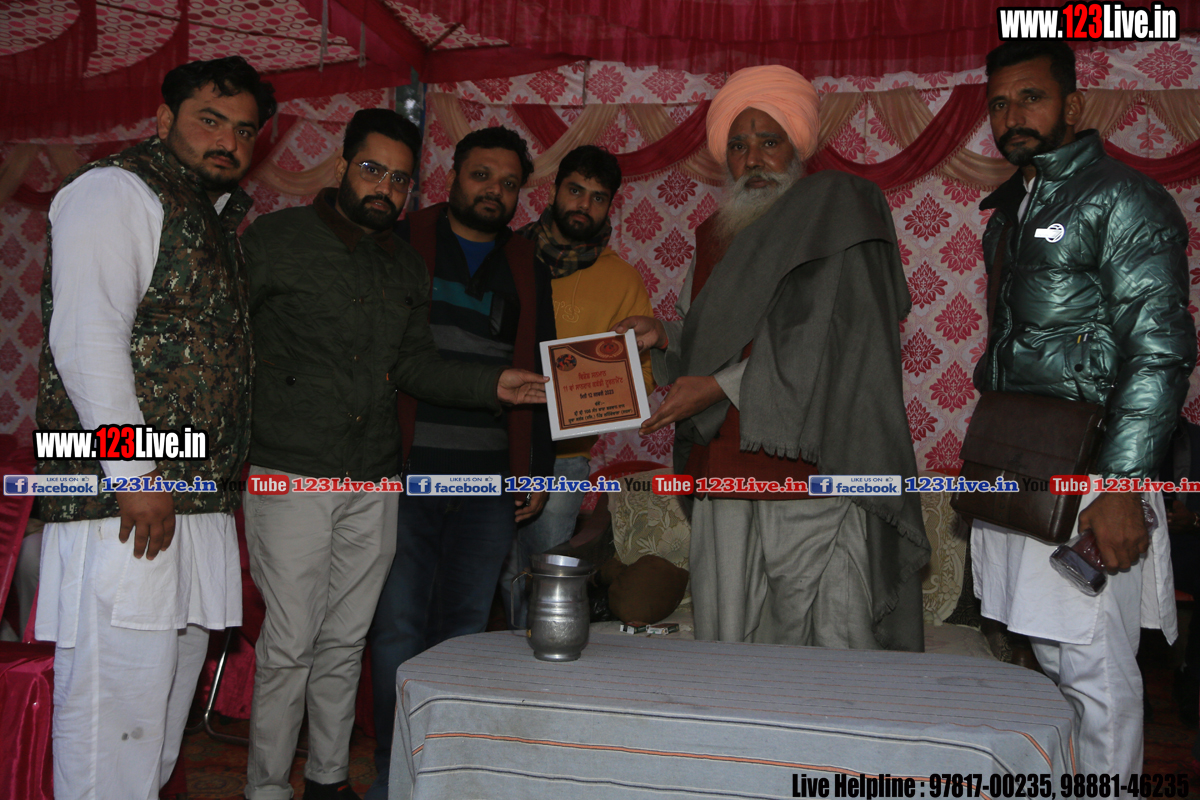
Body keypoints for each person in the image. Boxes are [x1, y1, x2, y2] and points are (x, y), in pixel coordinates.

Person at [241, 111, 547, 800]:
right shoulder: (276, 240)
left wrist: (491, 385)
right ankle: (266, 788)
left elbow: (414, 366)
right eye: (372, 170)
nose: (385, 187)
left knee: (348, 639)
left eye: (400, 179)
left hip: (377, 475)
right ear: (341, 167)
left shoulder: (404, 265)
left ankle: (327, 780)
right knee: (291, 643)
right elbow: (230, 344)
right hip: (290, 468)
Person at [615, 65, 928, 652]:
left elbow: (837, 341)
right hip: (725, 463)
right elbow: (707, 338)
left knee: (828, 631)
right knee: (729, 629)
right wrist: (663, 336)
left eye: (768, 141)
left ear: (797, 148)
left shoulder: (835, 215)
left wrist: (718, 388)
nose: (753, 159)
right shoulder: (713, 237)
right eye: (737, 146)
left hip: (816, 465)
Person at [34, 57, 275, 799]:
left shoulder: (208, 213)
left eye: (244, 130)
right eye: (210, 120)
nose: (227, 141)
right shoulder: (116, 190)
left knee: (157, 728)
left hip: (192, 502)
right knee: (112, 720)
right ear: (165, 119)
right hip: (124, 503)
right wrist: (135, 473)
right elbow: (86, 341)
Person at [970, 40, 1191, 775]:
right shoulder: (1011, 209)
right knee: (1049, 656)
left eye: (1030, 97)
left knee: (1095, 673)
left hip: (1095, 474)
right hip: (1023, 465)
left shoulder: (1124, 198)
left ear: (1074, 104)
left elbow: (1158, 352)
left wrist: (1122, 486)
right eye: (999, 103)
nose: (1012, 115)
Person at [364, 125, 555, 799]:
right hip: (405, 473)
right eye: (482, 176)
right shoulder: (402, 241)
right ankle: (394, 775)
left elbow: (542, 370)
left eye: (509, 184)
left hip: (488, 488)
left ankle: (444, 778)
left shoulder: (528, 265)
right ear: (452, 176)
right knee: (397, 631)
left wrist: (536, 469)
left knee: (464, 636)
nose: (494, 191)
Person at [502, 144, 656, 627]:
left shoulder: (622, 279)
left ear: (610, 206)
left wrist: (588, 396)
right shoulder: (508, 255)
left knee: (543, 583)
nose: (583, 205)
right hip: (493, 446)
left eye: (597, 197)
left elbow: (642, 377)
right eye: (575, 190)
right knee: (486, 577)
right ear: (554, 190)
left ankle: (537, 669)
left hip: (565, 457)